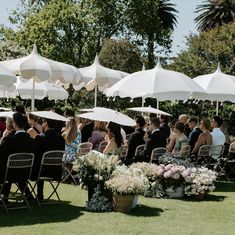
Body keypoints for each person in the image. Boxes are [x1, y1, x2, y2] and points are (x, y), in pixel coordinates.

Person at [0, 113, 35, 202]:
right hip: (26, 172)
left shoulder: (9, 140)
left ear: (14, 123)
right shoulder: (32, 141)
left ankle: (4, 196)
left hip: (8, 173)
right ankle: (26, 195)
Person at [33, 117, 65, 201]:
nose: (42, 124)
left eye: (42, 122)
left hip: (41, 171)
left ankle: (32, 195)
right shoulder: (61, 139)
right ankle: (35, 195)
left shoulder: (40, 138)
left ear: (46, 123)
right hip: (57, 171)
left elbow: (35, 154)